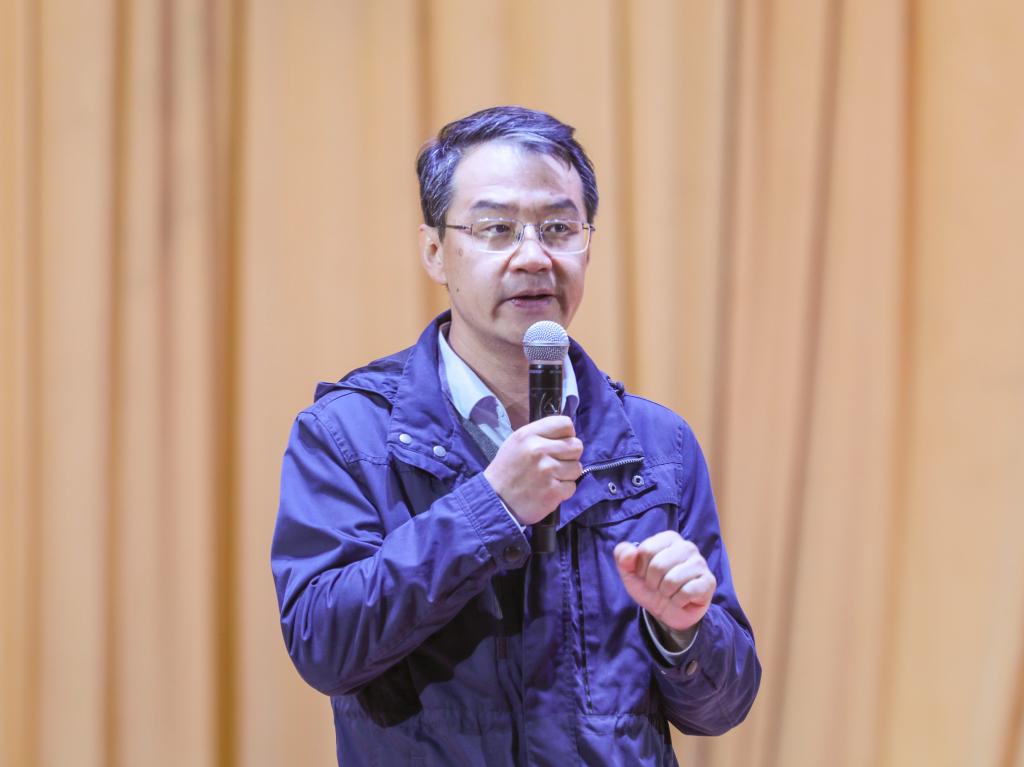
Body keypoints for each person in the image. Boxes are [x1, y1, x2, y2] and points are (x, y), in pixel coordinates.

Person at [271, 106, 761, 766]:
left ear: (588, 244)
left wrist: (684, 631)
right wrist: (490, 507)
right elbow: (324, 645)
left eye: (559, 228)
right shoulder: (346, 433)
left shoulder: (658, 445)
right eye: (496, 229)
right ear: (435, 251)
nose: (533, 256)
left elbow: (722, 707)